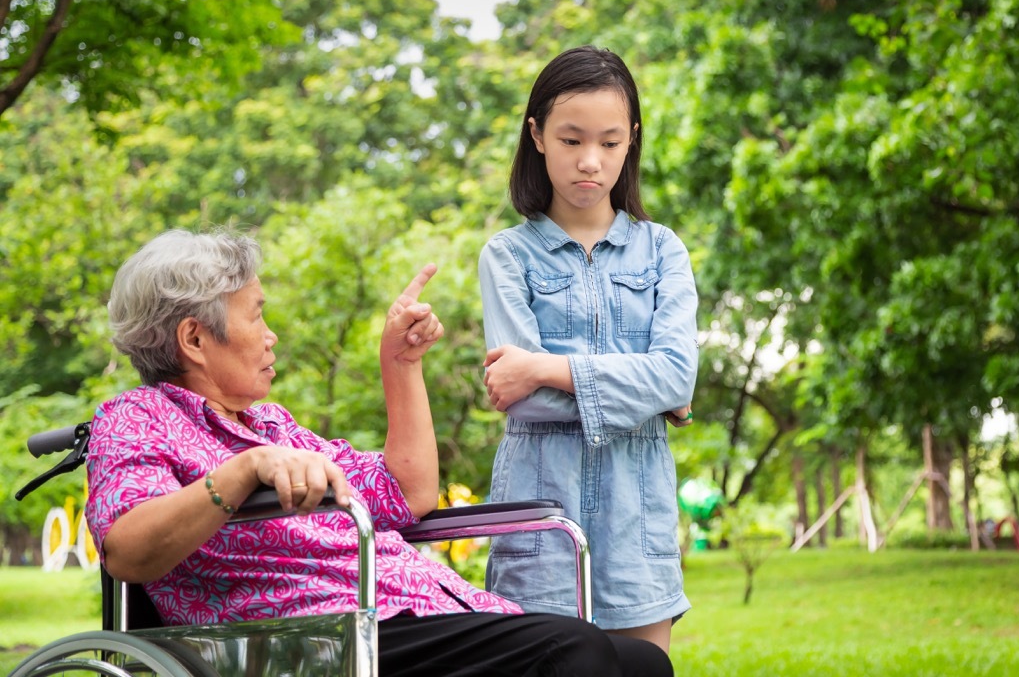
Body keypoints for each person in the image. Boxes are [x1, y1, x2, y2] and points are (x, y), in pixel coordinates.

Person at [84, 228, 673, 677]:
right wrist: (242, 472)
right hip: (314, 636)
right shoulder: (135, 420)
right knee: (575, 651)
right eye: (257, 314)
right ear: (194, 339)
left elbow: (405, 492)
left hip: (406, 611)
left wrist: (400, 362)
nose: (271, 335)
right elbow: (127, 551)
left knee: (645, 663)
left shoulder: (271, 425)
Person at [479, 46, 699, 654]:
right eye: (571, 140)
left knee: (643, 671)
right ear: (538, 136)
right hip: (539, 518)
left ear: (631, 141)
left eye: (608, 142)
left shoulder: (662, 251)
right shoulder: (507, 256)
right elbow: (522, 403)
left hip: (639, 518)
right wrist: (646, 394)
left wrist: (545, 368)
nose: (590, 162)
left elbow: (678, 377)